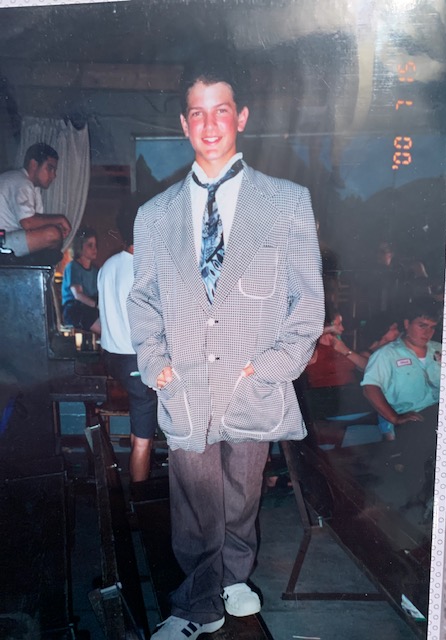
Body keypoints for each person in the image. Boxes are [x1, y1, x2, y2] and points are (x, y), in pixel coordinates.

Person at [127, 49, 324, 640]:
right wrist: (155, 362)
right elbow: (143, 300)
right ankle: (197, 605)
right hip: (185, 385)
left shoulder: (287, 201)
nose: (209, 123)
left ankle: (235, 575)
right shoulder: (154, 215)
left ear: (241, 117)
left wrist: (276, 365)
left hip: (252, 380)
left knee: (242, 493)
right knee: (194, 501)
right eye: (197, 112)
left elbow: (308, 299)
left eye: (221, 110)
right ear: (184, 124)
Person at [361, 297, 442, 509]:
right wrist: (394, 418)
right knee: (421, 440)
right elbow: (370, 388)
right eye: (422, 325)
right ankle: (420, 499)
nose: (428, 332)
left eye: (432, 327)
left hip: (442, 413)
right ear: (407, 324)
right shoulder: (387, 355)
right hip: (412, 416)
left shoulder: (441, 350)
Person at [97, 209, 158, 483]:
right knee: (144, 441)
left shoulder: (107, 266)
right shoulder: (143, 269)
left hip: (112, 359)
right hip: (135, 361)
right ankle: (139, 496)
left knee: (139, 424)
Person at [0, 142, 71, 263]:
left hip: (6, 238)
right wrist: (59, 219)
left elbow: (34, 223)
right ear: (33, 164)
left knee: (53, 235)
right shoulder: (21, 182)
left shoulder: (32, 187)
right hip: (2, 240)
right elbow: (28, 223)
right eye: (50, 168)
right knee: (52, 234)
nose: (54, 175)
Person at [301, 310, 371, 419]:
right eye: (338, 324)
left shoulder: (341, 344)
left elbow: (368, 367)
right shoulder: (313, 348)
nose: (342, 328)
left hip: (351, 395)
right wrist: (328, 329)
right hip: (326, 398)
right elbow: (306, 337)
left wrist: (345, 350)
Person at [61, 226, 101, 335]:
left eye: (95, 245)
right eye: (90, 245)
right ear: (79, 247)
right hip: (75, 309)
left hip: (90, 308)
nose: (94, 249)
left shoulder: (96, 271)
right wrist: (97, 305)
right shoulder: (73, 267)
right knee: (104, 328)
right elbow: (77, 294)